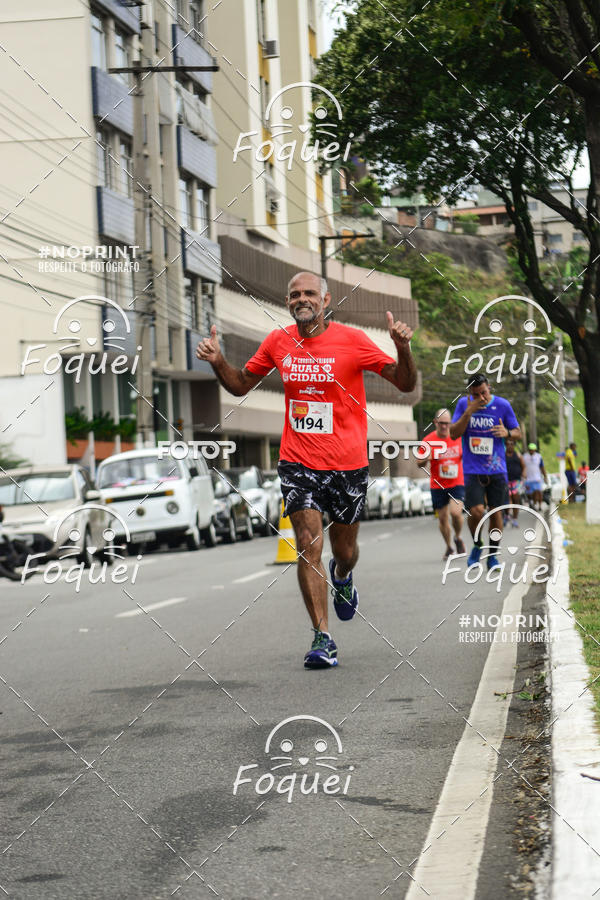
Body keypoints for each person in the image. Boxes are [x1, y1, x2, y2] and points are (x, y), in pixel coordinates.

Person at [196, 271, 417, 669]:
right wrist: (218, 361)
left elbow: (404, 384)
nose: (302, 299)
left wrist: (403, 349)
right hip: (298, 461)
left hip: (348, 464)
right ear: (288, 302)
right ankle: (323, 637)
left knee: (344, 551)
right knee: (308, 542)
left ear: (326, 300)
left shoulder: (353, 341)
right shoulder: (278, 342)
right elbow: (241, 384)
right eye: (295, 294)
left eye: (309, 293)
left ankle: (343, 577)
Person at [449, 374, 521, 570]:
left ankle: (493, 554)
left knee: (495, 512)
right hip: (473, 469)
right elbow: (454, 433)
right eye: (476, 394)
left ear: (489, 388)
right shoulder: (464, 405)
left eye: (484, 392)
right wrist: (468, 412)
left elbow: (518, 432)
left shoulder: (503, 405)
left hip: (497, 468)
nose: (481, 397)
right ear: (469, 394)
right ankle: (477, 544)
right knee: (476, 511)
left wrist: (507, 433)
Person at [417, 408, 465, 560]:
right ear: (435, 422)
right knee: (443, 519)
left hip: (457, 482)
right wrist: (426, 458)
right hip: (437, 485)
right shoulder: (428, 441)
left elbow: (468, 456)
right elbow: (419, 463)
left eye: (447, 423)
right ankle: (449, 547)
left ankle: (458, 537)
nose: (444, 427)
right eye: (441, 423)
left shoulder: (457, 437)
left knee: (456, 513)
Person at [504, 437, 525, 527]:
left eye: (512, 444)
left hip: (516, 481)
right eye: (508, 444)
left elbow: (524, 466)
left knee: (516, 499)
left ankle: (515, 519)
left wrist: (524, 473)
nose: (510, 446)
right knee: (507, 499)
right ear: (505, 445)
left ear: (514, 445)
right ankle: (506, 515)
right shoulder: (502, 455)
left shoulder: (518, 455)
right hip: (506, 481)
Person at [522, 442, 548, 511]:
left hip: (537, 478)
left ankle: (539, 506)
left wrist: (545, 476)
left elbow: (542, 467)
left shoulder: (538, 456)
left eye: (532, 449)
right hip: (528, 479)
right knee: (530, 494)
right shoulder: (524, 456)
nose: (531, 451)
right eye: (530, 449)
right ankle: (532, 503)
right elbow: (522, 466)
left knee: (539, 492)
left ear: (535, 450)